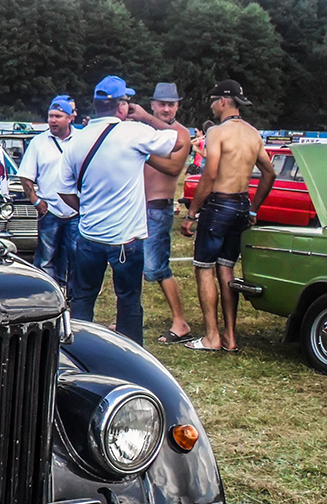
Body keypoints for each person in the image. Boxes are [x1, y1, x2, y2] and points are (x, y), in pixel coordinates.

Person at [56, 75, 190, 345]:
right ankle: (129, 354)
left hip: (89, 234)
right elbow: (177, 142)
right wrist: (146, 118)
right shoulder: (133, 133)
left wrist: (85, 211)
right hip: (125, 239)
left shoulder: (77, 141)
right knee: (128, 302)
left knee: (83, 299)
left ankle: (79, 351)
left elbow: (63, 189)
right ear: (121, 107)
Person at [180, 79, 275, 353]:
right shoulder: (253, 134)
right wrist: (254, 208)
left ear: (223, 101)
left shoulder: (218, 133)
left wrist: (192, 213)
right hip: (242, 205)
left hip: (219, 205)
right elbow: (270, 173)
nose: (211, 105)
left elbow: (209, 174)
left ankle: (211, 337)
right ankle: (230, 338)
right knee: (227, 269)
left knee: (204, 268)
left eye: (213, 100)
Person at [144, 83, 194, 344]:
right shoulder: (140, 131)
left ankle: (180, 321)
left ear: (177, 106)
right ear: (153, 103)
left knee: (157, 267)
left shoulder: (180, 133)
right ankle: (128, 315)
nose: (166, 108)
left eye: (171, 104)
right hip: (134, 207)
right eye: (161, 103)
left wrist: (141, 153)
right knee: (127, 265)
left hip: (157, 207)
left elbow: (173, 169)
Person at [18, 94, 79, 292]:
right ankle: (46, 295)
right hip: (49, 209)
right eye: (50, 116)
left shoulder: (82, 140)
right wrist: (37, 202)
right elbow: (25, 176)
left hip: (76, 211)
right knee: (46, 258)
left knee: (77, 257)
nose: (52, 120)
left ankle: (74, 298)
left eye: (58, 116)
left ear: (70, 118)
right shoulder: (38, 142)